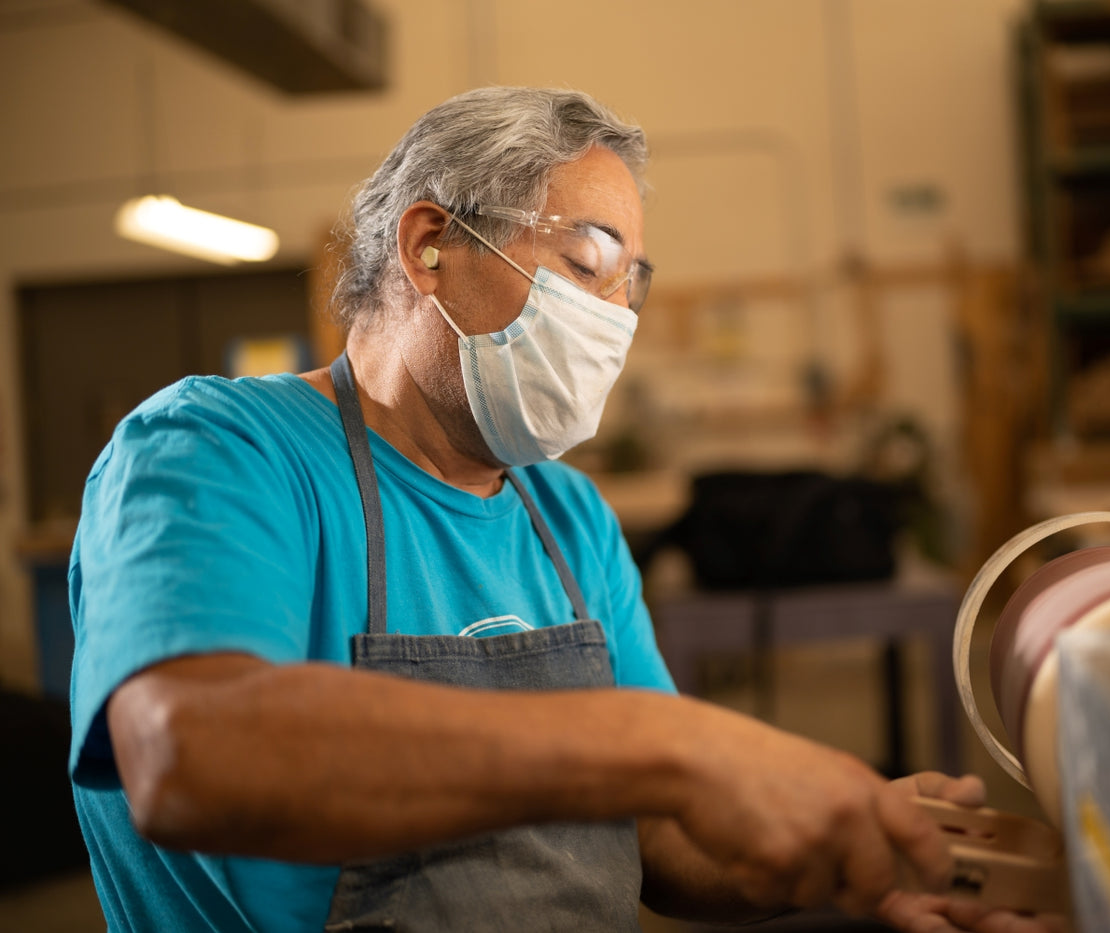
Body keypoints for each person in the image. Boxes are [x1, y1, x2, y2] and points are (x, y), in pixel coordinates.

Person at [68, 86, 1057, 932]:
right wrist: (665, 746)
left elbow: (659, 831)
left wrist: (832, 849)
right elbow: (188, 751)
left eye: (629, 285)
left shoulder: (566, 517)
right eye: (586, 266)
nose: (613, 320)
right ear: (428, 246)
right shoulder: (218, 449)